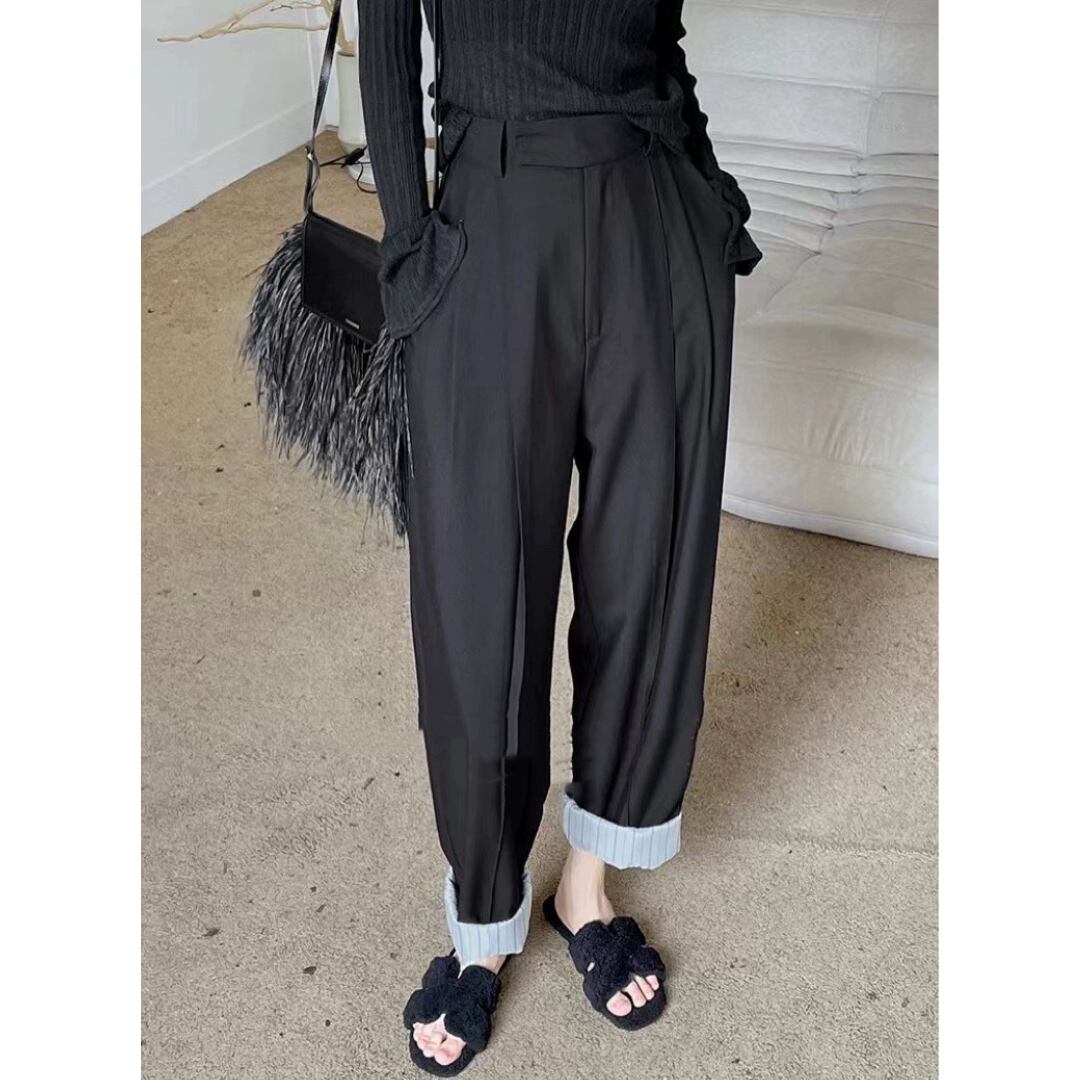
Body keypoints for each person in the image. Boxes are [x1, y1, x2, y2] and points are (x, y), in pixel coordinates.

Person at [358, 0, 761, 1072]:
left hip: (653, 214)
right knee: (479, 600)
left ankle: (585, 886)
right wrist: (408, 243)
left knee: (649, 570)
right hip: (489, 223)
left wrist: (708, 196)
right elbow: (389, 52)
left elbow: (658, 40)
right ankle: (482, 923)